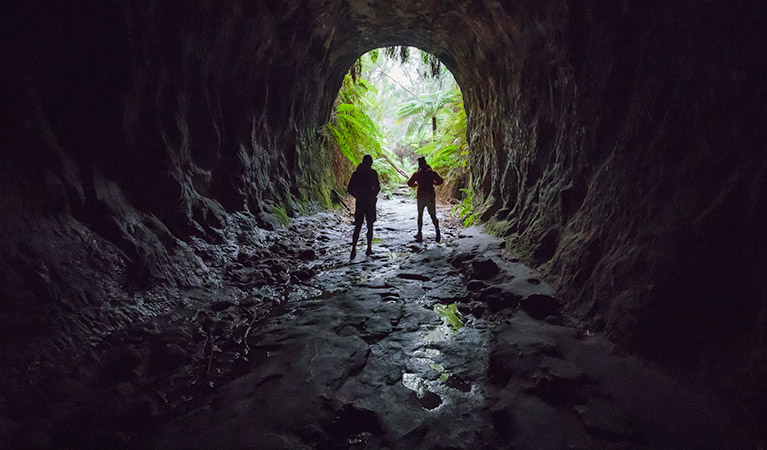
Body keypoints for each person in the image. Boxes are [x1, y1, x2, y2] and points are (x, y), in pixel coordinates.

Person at [347, 154, 380, 259]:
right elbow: (378, 187)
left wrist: (358, 196)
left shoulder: (356, 174)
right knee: (370, 226)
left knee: (358, 226)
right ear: (370, 163)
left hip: (360, 202)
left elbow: (350, 189)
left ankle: (353, 250)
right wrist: (373, 195)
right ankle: (369, 248)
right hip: (370, 202)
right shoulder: (373, 173)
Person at [407, 156, 443, 242]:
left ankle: (419, 233)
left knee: (420, 215)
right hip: (430, 195)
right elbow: (441, 181)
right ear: (426, 163)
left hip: (421, 196)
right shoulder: (432, 173)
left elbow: (409, 183)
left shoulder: (417, 174)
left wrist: (415, 185)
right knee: (433, 215)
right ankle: (437, 231)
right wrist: (434, 183)